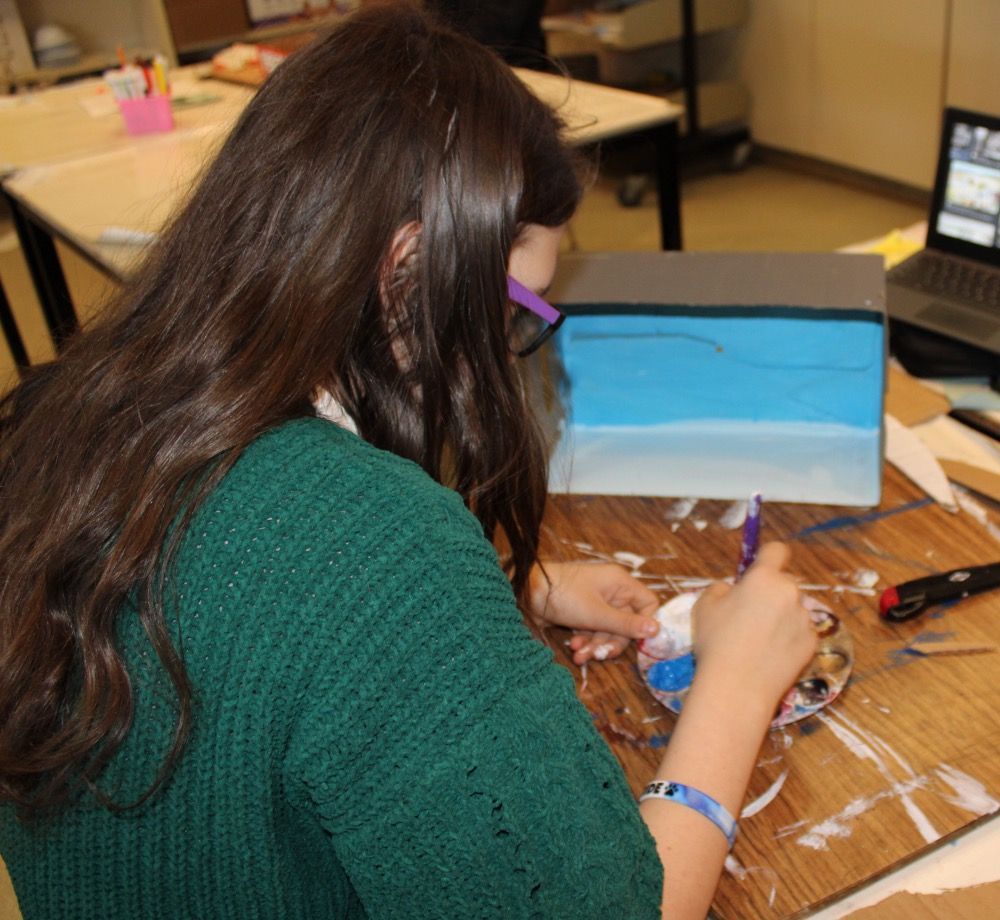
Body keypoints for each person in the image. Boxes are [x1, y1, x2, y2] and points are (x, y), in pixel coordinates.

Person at [0, 5, 817, 918]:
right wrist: (739, 682)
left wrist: (510, 592)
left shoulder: (50, 419)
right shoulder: (376, 547)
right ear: (409, 260)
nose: (510, 346)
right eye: (517, 308)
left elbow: (239, 606)